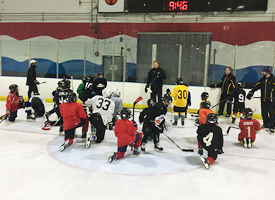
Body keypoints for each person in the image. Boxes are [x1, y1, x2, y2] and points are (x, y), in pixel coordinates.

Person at [246, 66, 275, 134]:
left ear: (267, 72)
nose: (262, 72)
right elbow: (256, 86)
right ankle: (266, 124)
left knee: (271, 114)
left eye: (263, 71)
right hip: (263, 100)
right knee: (264, 113)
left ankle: (272, 126)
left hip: (271, 100)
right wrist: (251, 92)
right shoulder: (262, 80)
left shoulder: (273, 79)